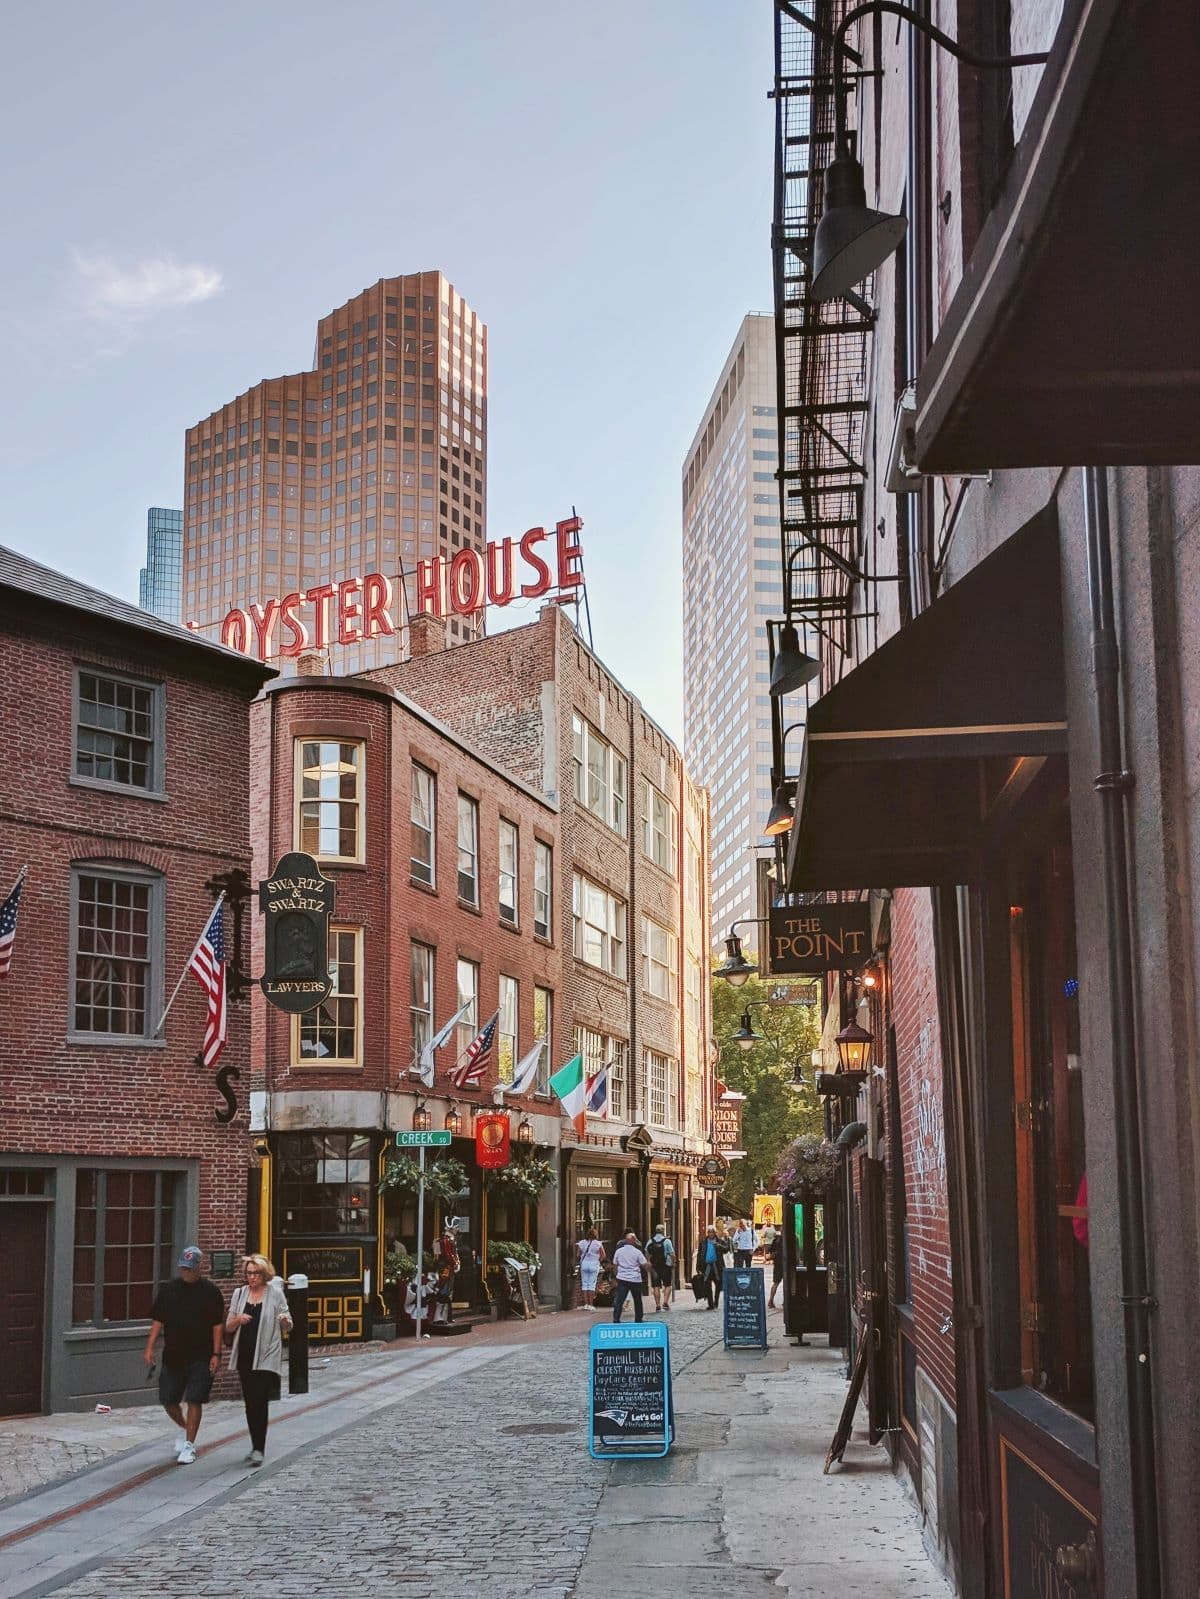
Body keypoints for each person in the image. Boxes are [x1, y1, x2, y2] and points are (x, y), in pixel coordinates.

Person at [143, 1245, 225, 1465]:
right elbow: (158, 1320)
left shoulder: (210, 1292)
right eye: (183, 1268)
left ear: (199, 1267)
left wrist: (216, 1353)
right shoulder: (169, 1290)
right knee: (168, 1399)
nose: (185, 1272)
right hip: (174, 1355)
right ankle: (183, 1427)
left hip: (201, 1354)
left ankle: (189, 1445)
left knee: (194, 1398)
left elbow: (217, 1325)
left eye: (189, 1268)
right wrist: (150, 1348)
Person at [225, 1254, 292, 1467]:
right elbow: (228, 1326)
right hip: (245, 1354)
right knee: (249, 1402)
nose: (252, 1277)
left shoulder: (275, 1294)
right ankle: (254, 1444)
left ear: (264, 1274)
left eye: (256, 1273)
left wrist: (284, 1320)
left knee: (260, 1401)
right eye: (249, 1273)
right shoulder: (239, 1294)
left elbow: (289, 1324)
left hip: (266, 1354)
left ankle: (259, 1448)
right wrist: (238, 1319)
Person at [610, 1231, 649, 1323]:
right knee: (637, 1300)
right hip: (635, 1279)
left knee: (619, 1300)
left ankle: (616, 1318)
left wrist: (616, 1276)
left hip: (622, 1278)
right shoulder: (637, 1252)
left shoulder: (618, 1251)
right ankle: (638, 1319)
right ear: (633, 1241)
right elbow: (644, 1265)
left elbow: (615, 1265)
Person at [695, 1225, 731, 1310]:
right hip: (706, 1266)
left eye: (712, 1232)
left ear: (715, 1233)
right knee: (707, 1284)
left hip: (717, 1266)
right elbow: (699, 1255)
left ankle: (716, 1302)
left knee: (718, 1284)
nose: (710, 1234)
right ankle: (710, 1304)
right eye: (709, 1232)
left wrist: (719, 1246)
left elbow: (727, 1249)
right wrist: (698, 1266)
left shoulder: (719, 1241)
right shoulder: (703, 1242)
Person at [646, 1225, 676, 1312]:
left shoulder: (650, 1241)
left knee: (656, 1286)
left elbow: (647, 1251)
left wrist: (649, 1261)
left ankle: (658, 1305)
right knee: (667, 1284)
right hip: (665, 1266)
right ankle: (665, 1302)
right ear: (663, 1231)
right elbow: (672, 1254)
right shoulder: (667, 1241)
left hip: (654, 1267)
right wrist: (673, 1263)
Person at [576, 1227, 606, 1309]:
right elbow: (603, 1255)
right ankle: (591, 1304)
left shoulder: (581, 1243)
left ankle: (585, 1304)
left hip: (584, 1264)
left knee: (585, 1284)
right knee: (592, 1285)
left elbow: (578, 1254)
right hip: (594, 1264)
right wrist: (597, 1260)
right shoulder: (598, 1243)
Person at [762, 1225, 784, 1309]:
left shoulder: (776, 1240)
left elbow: (771, 1252)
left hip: (777, 1264)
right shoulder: (791, 1238)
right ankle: (785, 1302)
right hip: (785, 1264)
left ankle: (771, 1301)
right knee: (787, 1284)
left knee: (776, 1283)